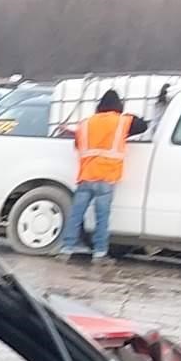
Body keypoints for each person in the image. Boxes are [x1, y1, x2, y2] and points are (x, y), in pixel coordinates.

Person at [60, 88, 136, 260]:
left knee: (76, 215)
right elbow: (142, 125)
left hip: (86, 176)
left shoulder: (85, 123)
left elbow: (79, 146)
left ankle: (66, 249)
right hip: (107, 177)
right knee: (102, 218)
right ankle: (100, 253)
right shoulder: (122, 122)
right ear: (118, 105)